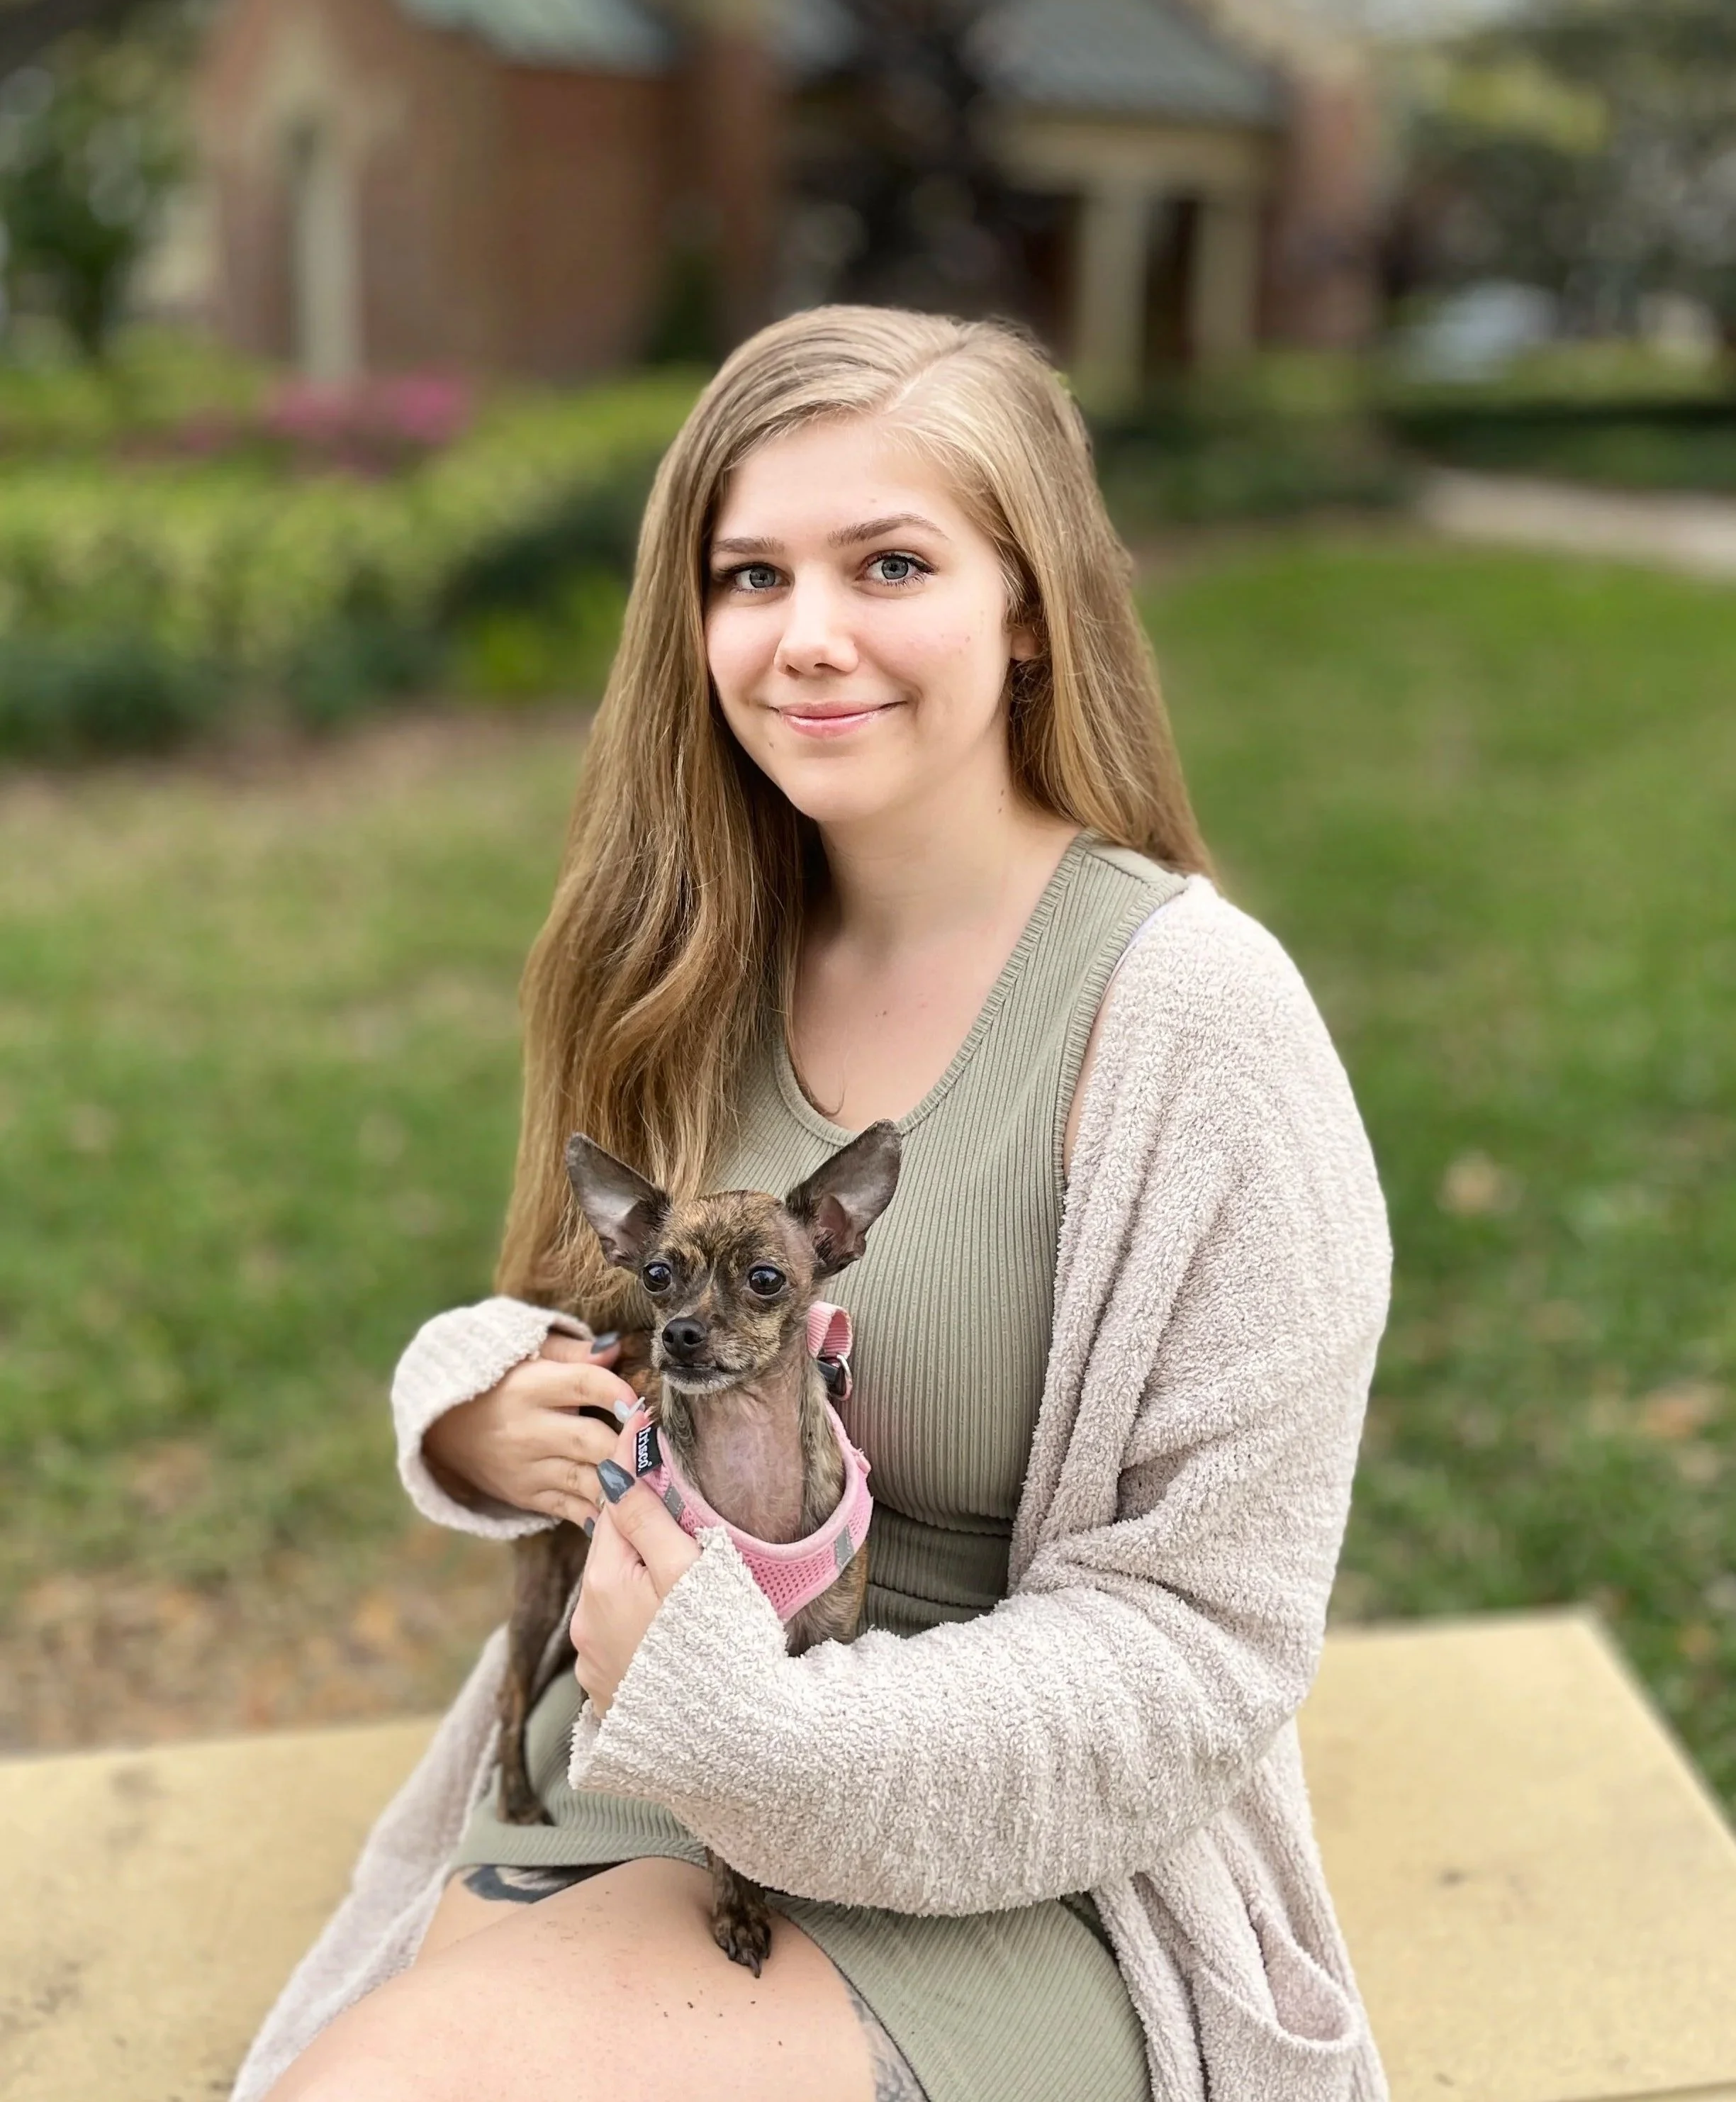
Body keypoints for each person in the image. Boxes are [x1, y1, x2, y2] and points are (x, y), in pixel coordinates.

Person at [239, 306, 1392, 2102]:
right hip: (619, 1758)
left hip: (1006, 1853)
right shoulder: (685, 962)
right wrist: (477, 1416)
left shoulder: (1194, 1024)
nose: (809, 636)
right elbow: (592, 1336)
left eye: (895, 562)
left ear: (1036, 606)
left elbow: (1201, 1643)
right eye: (752, 572)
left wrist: (768, 1732)